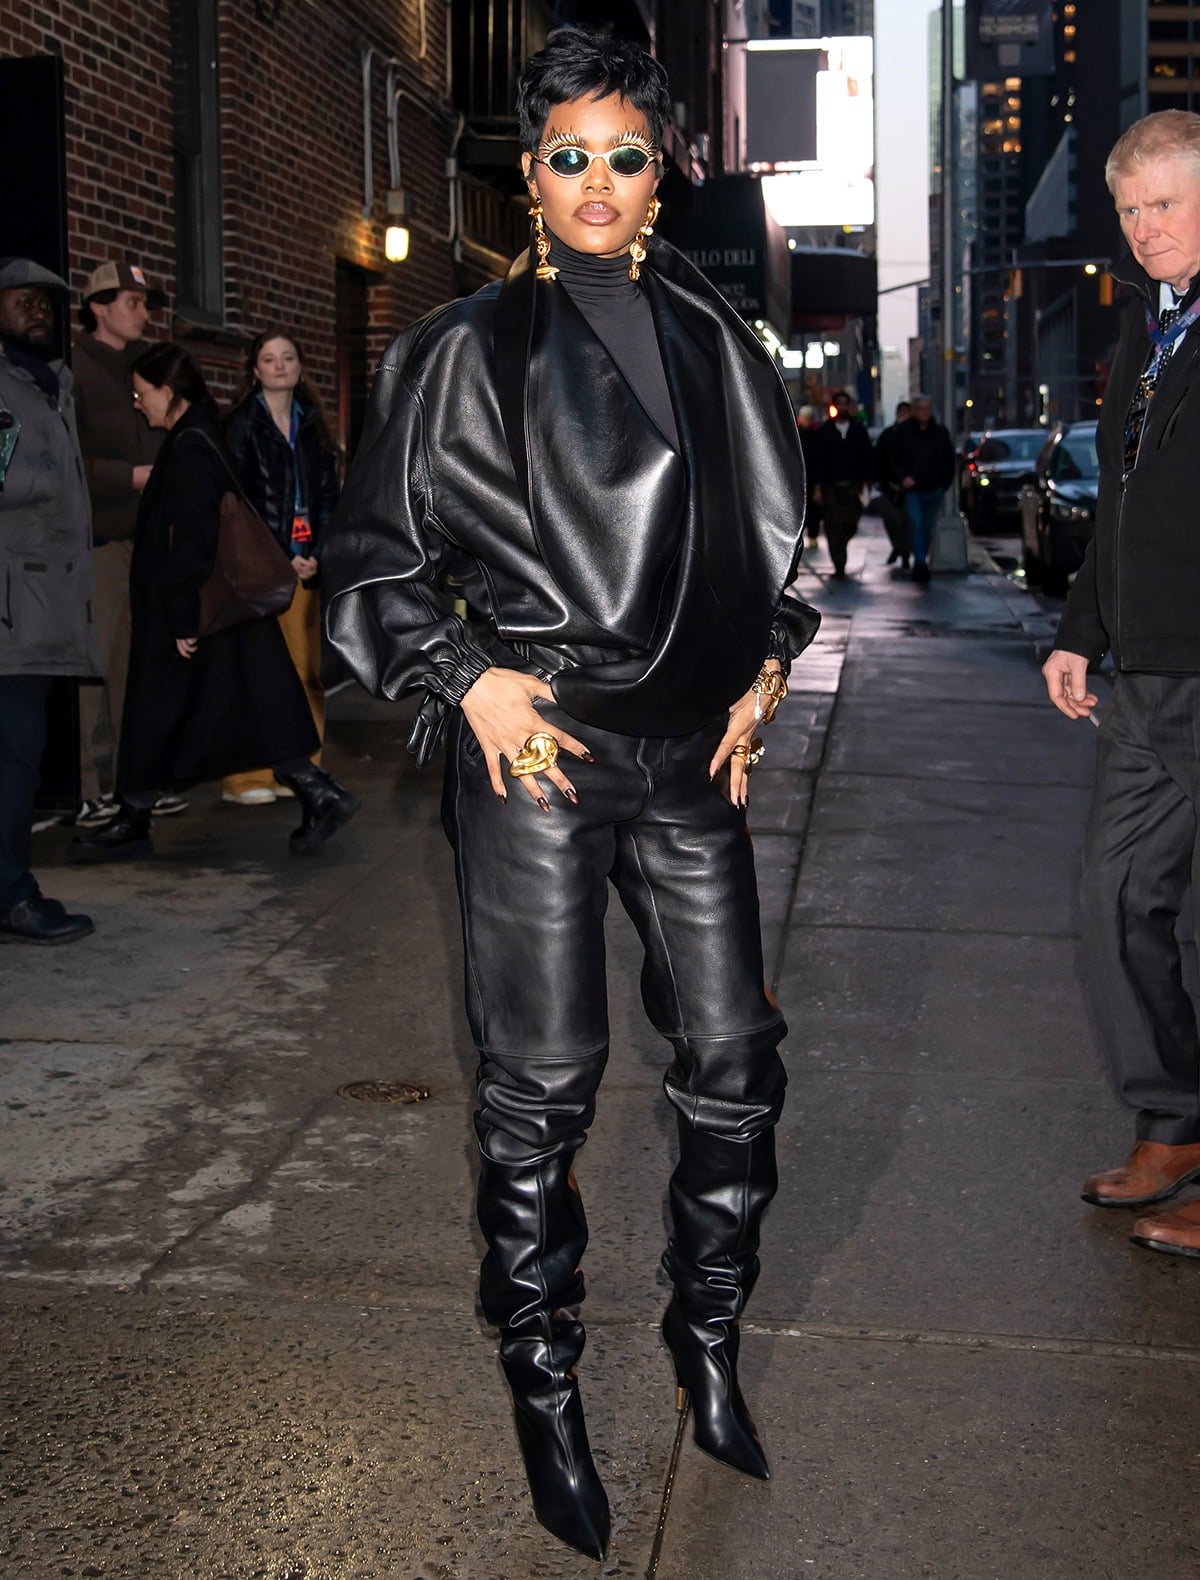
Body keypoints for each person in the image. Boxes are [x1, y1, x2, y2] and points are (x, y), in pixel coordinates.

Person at [322, 27, 818, 1561]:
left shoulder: (720, 339)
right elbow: (374, 564)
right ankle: (546, 1381)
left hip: (688, 755)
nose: (597, 182)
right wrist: (466, 679)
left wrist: (769, 667)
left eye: (624, 154)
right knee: (543, 1084)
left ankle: (707, 1337)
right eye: (566, 156)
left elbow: (773, 555)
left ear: (659, 175)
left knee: (735, 1054)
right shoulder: (459, 348)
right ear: (528, 178)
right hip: (541, 751)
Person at [1043, 109, 1200, 1261]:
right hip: (1147, 675)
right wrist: (1080, 629)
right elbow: (1124, 505)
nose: (1146, 228)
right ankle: (1177, 1122)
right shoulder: (1151, 333)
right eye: (1131, 209)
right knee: (1111, 902)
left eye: (1168, 204)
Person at [69, 344, 358, 864]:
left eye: (143, 393)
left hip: (197, 610)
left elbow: (198, 536)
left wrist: (186, 616)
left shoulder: (193, 444)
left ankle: (313, 793)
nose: (138, 404)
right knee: (221, 708)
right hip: (209, 610)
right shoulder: (198, 435)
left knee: (186, 709)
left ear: (169, 392)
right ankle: (139, 813)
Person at [0, 258, 97, 944]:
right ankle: (11, 896)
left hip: (41, 609)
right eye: (23, 300)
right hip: (10, 611)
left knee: (19, 758)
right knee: (14, 759)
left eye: (47, 302)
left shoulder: (50, 385)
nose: (39, 310)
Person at [72, 260, 187, 825]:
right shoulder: (76, 367)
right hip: (103, 536)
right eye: (133, 303)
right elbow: (60, 460)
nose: (144, 313)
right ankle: (91, 785)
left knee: (142, 662)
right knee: (101, 661)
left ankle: (138, 777)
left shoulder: (142, 367)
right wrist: (129, 477)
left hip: (150, 538)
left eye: (147, 304)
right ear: (98, 306)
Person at [220, 330, 341, 806]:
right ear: (254, 370)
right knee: (258, 673)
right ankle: (245, 777)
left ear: (299, 366)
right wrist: (277, 553)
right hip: (261, 568)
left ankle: (302, 767)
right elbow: (238, 502)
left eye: (288, 357)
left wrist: (320, 552)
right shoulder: (241, 425)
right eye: (268, 359)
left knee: (306, 670)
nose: (279, 365)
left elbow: (328, 497)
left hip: (307, 565)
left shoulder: (312, 424)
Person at [809, 390, 875, 579]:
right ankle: (839, 563)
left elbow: (867, 456)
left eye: (846, 403)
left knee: (851, 521)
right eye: (839, 403)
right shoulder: (824, 432)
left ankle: (841, 545)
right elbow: (817, 460)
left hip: (852, 484)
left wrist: (866, 480)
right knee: (832, 524)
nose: (842, 407)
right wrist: (817, 487)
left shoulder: (858, 430)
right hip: (831, 485)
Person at [895, 392, 955, 583]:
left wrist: (943, 484)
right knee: (916, 524)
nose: (924, 412)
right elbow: (894, 459)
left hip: (934, 488)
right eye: (920, 408)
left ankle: (922, 558)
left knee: (926, 527)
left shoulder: (940, 433)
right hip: (913, 490)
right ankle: (920, 563)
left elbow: (948, 461)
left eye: (927, 408)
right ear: (913, 411)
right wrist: (903, 478)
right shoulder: (903, 432)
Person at [874, 398, 912, 569]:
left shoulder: (913, 434)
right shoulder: (888, 435)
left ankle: (903, 552)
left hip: (909, 487)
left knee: (906, 523)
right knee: (892, 521)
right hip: (889, 486)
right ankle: (900, 549)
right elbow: (880, 458)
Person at [796, 403, 822, 547]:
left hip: (810, 479)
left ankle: (812, 536)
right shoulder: (797, 434)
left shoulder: (815, 435)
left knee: (813, 511)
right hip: (800, 480)